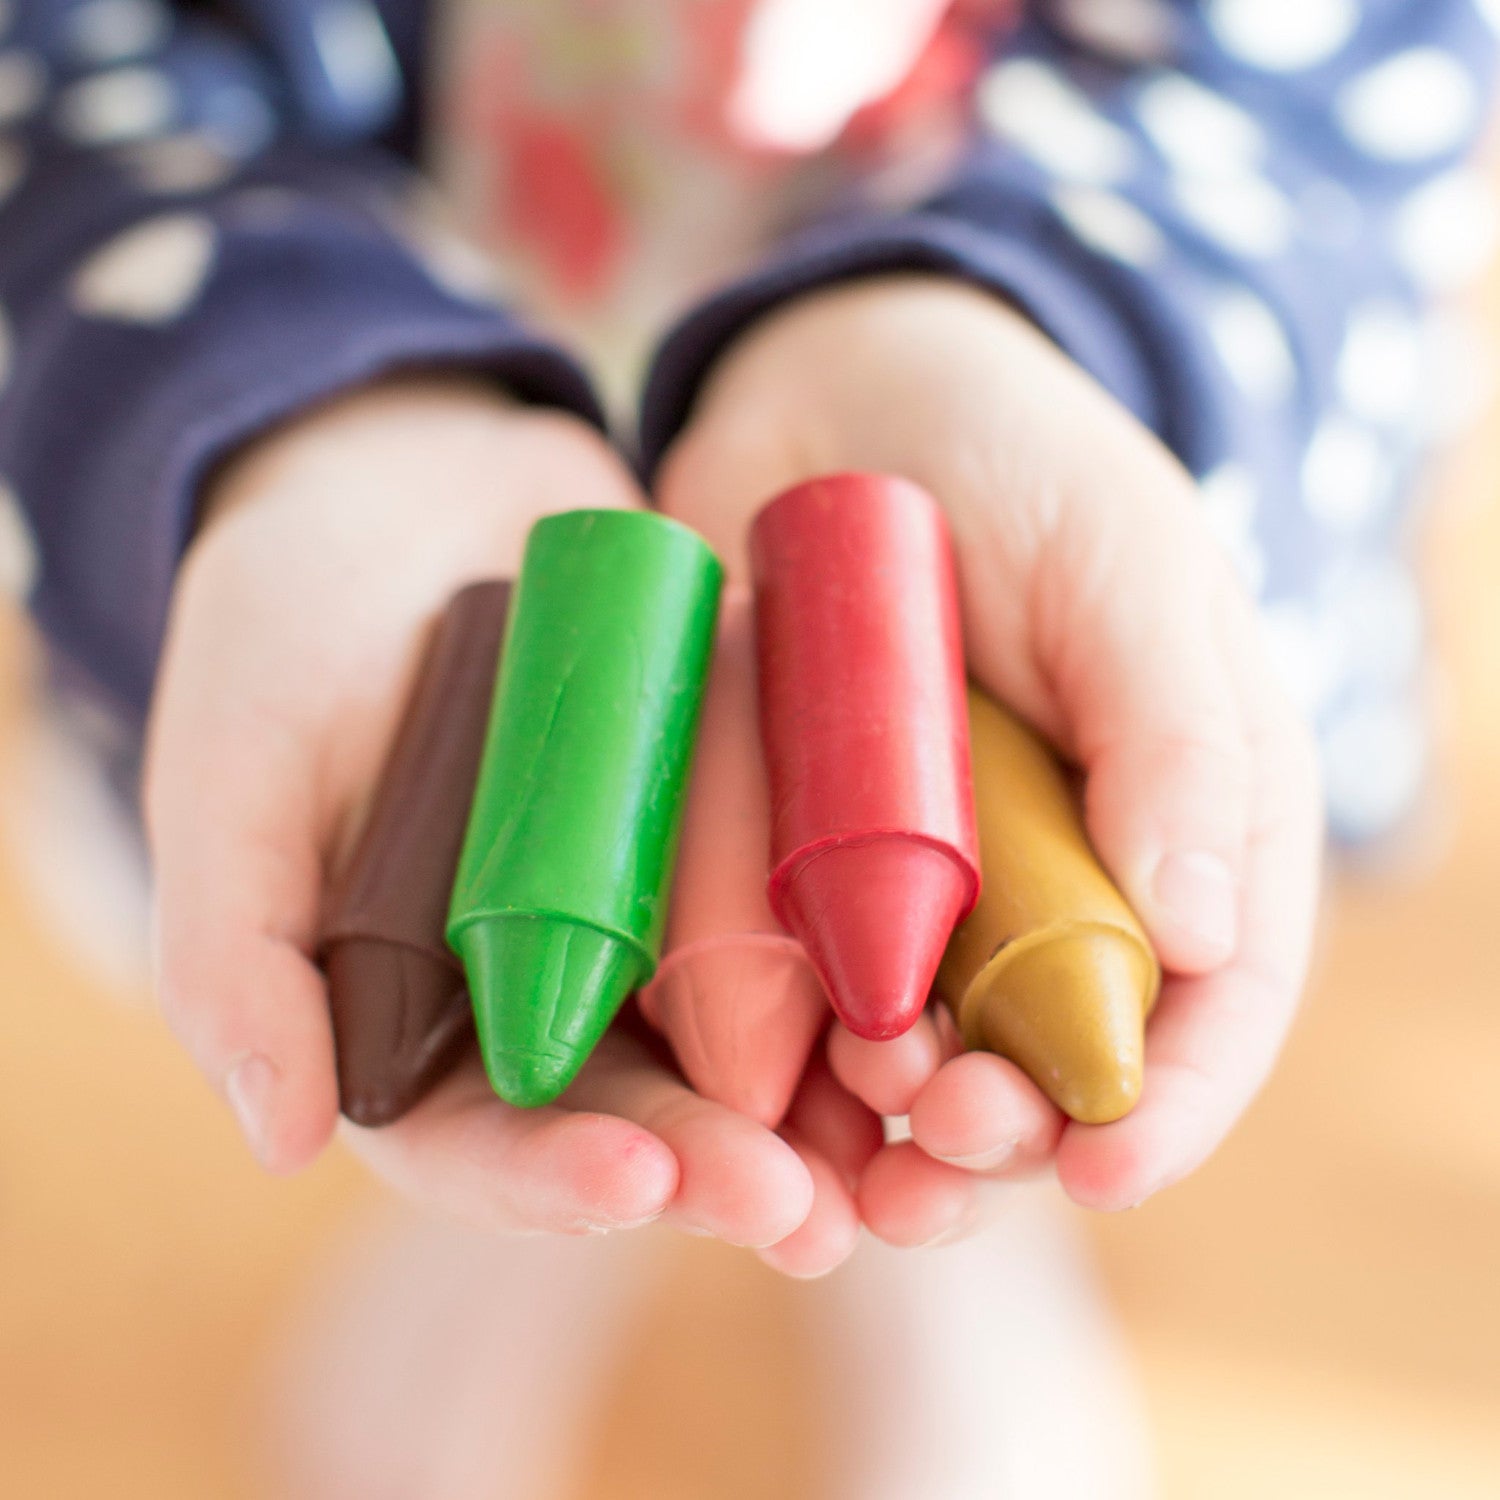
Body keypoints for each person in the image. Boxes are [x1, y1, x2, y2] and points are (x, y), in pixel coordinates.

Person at [0, 0, 1490, 1492]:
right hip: (388, 319)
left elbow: (1336, 88)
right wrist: (291, 404)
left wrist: (1023, 322)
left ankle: (945, 1234)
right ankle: (554, 1222)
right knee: (557, 1071)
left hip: (1000, 319)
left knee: (948, 1042)